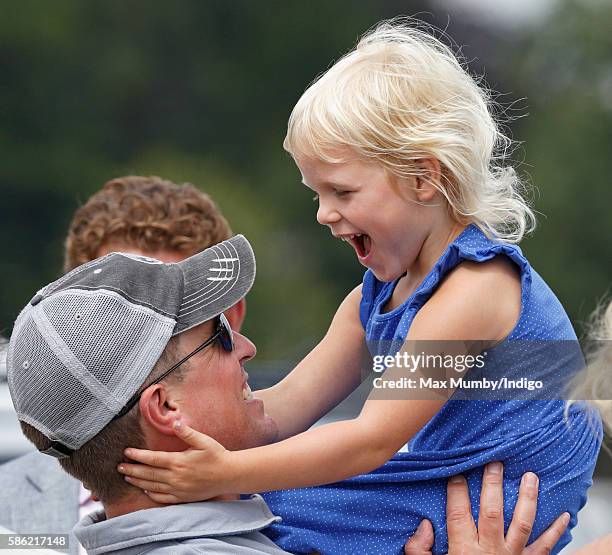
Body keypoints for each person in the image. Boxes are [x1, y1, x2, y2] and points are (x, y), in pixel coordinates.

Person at [116, 20, 601, 554]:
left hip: (495, 503)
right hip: (436, 485)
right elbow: (282, 411)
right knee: (244, 503)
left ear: (423, 178)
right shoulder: (370, 300)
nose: (325, 214)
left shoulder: (473, 292)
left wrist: (225, 474)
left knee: (253, 513)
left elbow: (371, 439)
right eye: (316, 193)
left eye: (341, 190)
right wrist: (182, 437)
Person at [0, 175, 241, 555]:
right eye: (110, 320)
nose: (142, 344)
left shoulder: (311, 478)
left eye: (183, 318)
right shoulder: (5, 507)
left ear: (231, 316)